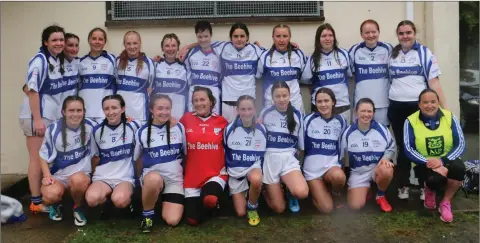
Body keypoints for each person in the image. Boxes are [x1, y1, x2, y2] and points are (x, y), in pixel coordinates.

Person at [388, 20, 448, 201]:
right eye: (401, 33)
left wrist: (445, 110)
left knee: (421, 146)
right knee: (402, 146)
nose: (405, 36)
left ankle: (425, 185)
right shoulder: (393, 54)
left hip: (418, 107)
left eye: (408, 32)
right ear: (397, 35)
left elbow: (434, 83)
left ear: (415, 33)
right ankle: (403, 184)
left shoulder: (424, 53)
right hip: (396, 107)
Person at [19, 25, 66, 214]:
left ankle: (42, 199)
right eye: (54, 40)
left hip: (47, 115)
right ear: (46, 42)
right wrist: (37, 119)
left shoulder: (54, 60)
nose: (59, 43)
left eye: (61, 40)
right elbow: (32, 91)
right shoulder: (39, 60)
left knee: (43, 157)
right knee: (36, 158)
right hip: (35, 116)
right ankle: (36, 202)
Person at [179, 23, 265, 122]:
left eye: (242, 36)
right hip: (228, 101)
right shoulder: (223, 47)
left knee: (248, 132)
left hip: (248, 101)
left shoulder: (255, 49)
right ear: (231, 38)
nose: (239, 39)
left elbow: (269, 55)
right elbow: (205, 42)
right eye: (235, 36)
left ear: (247, 38)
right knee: (227, 133)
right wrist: (187, 47)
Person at [404, 89, 465, 223]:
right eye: (425, 102)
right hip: (424, 163)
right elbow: (409, 149)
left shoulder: (449, 117)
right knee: (434, 180)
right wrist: (430, 163)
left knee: (459, 169)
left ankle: (445, 202)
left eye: (433, 102)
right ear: (419, 104)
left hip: (446, 159)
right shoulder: (410, 121)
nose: (429, 105)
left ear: (438, 103)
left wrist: (442, 161)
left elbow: (460, 144)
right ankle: (429, 191)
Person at [39, 96, 96, 226]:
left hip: (80, 175)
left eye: (79, 110)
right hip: (58, 176)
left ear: (84, 112)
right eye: (71, 110)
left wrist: (126, 119)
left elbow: (111, 124)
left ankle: (78, 208)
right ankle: (56, 205)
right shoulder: (53, 129)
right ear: (63, 112)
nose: (75, 114)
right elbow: (42, 155)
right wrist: (47, 176)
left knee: (78, 180)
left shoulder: (91, 126)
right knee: (50, 195)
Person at [134, 94, 186, 232]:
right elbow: (138, 159)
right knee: (153, 179)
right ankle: (147, 215)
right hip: (153, 177)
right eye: (160, 108)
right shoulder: (142, 132)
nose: (164, 112)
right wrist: (139, 183)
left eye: (167, 108)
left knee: (172, 220)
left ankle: (163, 201)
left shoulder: (179, 128)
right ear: (151, 109)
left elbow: (185, 154)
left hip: (174, 180)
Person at [180, 86, 228, 226]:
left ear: (211, 102)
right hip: (192, 177)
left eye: (202, 99)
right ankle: (208, 205)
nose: (199, 103)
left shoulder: (221, 121)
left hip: (215, 174)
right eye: (195, 100)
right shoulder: (185, 119)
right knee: (192, 220)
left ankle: (215, 201)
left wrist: (256, 122)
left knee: (210, 200)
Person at [85, 95, 140, 216]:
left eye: (114, 108)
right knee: (91, 199)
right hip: (102, 177)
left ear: (123, 109)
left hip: (124, 178)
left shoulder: (134, 126)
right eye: (106, 109)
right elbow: (95, 157)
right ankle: (107, 203)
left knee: (120, 200)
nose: (110, 112)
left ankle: (126, 203)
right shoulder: (97, 130)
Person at [260, 81, 308, 213]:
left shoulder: (297, 114)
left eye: (284, 95)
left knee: (302, 192)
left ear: (289, 96)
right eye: (278, 96)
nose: (281, 99)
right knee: (279, 208)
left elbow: (300, 145)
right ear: (272, 97)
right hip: (270, 159)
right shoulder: (265, 113)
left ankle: (290, 192)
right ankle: (266, 190)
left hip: (288, 158)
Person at [340, 98, 395, 212]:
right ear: (356, 112)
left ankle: (380, 195)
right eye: (363, 111)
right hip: (359, 173)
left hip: (377, 169)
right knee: (355, 206)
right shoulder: (348, 133)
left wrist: (385, 158)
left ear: (373, 113)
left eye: (369, 111)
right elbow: (342, 157)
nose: (366, 114)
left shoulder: (382, 129)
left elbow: (391, 147)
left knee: (387, 170)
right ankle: (367, 190)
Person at [224, 95, 266, 226]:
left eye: (250, 109)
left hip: (252, 168)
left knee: (256, 178)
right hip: (236, 173)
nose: (247, 113)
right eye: (243, 109)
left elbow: (264, 155)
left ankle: (252, 206)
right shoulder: (229, 129)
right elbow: (225, 152)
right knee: (241, 213)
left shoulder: (262, 128)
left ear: (254, 110)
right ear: (237, 110)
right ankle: (246, 193)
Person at [303, 88, 347, 213]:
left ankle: (335, 193)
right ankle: (315, 193)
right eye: (319, 101)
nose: (323, 105)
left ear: (333, 102)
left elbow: (341, 150)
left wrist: (341, 168)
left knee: (339, 177)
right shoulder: (308, 120)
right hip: (313, 172)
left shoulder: (341, 121)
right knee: (326, 209)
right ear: (315, 103)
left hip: (331, 168)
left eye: (326, 101)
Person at [302, 23, 352, 121]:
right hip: (320, 107)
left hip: (342, 105)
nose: (327, 38)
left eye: (330, 35)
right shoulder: (313, 58)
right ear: (318, 39)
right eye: (324, 36)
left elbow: (350, 74)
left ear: (334, 38)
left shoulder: (343, 54)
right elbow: (306, 80)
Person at [348, 19, 392, 126]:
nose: (371, 35)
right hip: (361, 105)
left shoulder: (388, 48)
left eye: (374, 32)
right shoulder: (355, 50)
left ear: (378, 32)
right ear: (361, 35)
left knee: (382, 135)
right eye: (367, 32)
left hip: (383, 103)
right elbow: (349, 72)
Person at [256, 24, 306, 114]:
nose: (281, 40)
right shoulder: (264, 56)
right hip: (271, 105)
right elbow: (258, 75)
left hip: (295, 104)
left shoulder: (298, 54)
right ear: (273, 37)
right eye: (278, 36)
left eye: (285, 36)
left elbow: (303, 76)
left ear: (290, 37)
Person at [115, 31, 155, 124]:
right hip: (120, 113)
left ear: (140, 43)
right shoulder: (117, 61)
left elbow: (151, 86)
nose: (132, 47)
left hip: (140, 114)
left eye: (135, 43)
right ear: (124, 44)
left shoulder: (149, 63)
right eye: (128, 43)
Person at [78, 28, 116, 124]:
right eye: (94, 39)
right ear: (89, 40)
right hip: (85, 114)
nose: (97, 42)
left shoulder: (113, 60)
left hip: (106, 114)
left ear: (104, 42)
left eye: (100, 39)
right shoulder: (80, 62)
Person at [184, 21, 222, 114]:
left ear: (211, 35)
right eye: (200, 37)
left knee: (213, 124)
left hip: (214, 95)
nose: (203, 40)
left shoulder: (219, 52)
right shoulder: (190, 54)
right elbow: (187, 74)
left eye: (206, 36)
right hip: (195, 96)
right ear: (196, 36)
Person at [152, 33, 188, 121]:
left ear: (178, 48)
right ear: (162, 48)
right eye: (167, 46)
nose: (170, 49)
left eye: (173, 46)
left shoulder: (186, 66)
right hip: (158, 118)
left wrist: (188, 46)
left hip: (178, 118)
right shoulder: (154, 65)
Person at [62, 33, 81, 98]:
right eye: (70, 45)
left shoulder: (80, 62)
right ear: (63, 46)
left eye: (76, 45)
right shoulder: (53, 63)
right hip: (57, 106)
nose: (74, 49)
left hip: (73, 105)